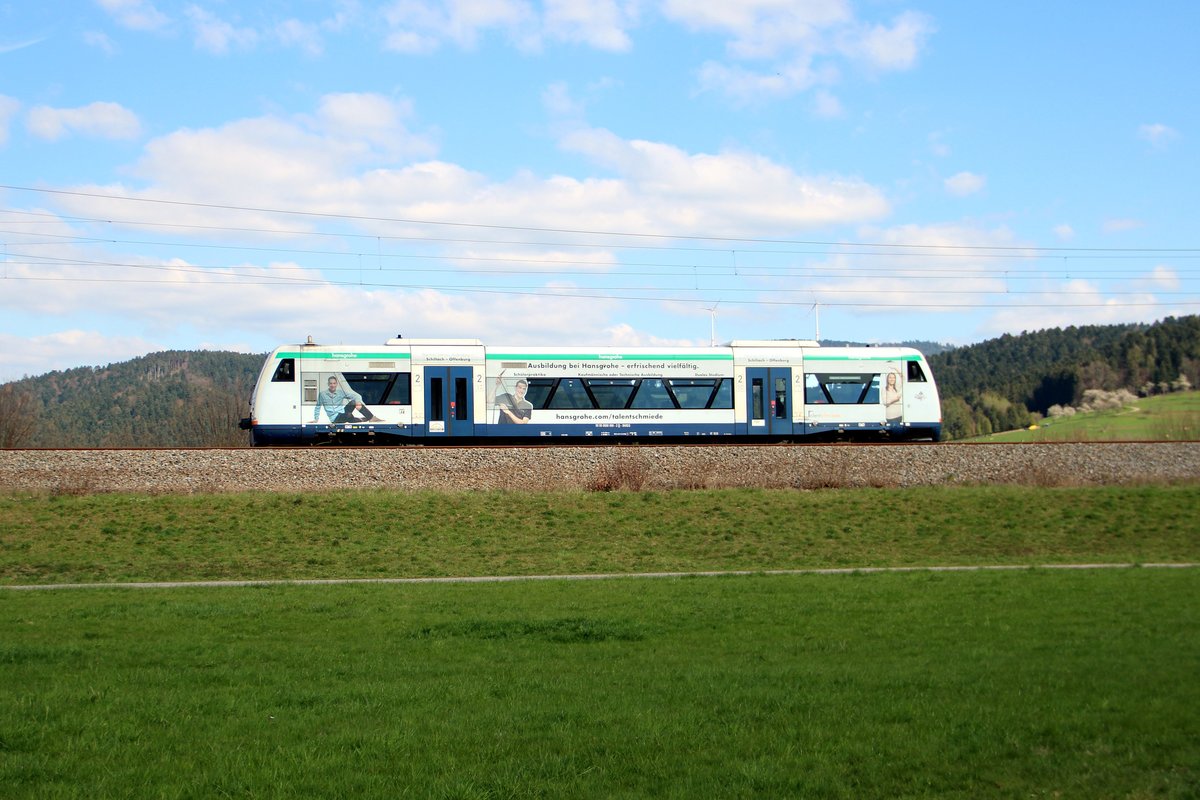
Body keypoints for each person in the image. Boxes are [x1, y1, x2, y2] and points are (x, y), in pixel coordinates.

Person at [313, 375, 383, 424]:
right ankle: (366, 418)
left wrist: (358, 402)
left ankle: (370, 417)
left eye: (334, 383)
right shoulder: (322, 394)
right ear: (328, 384)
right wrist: (316, 419)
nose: (332, 385)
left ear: (336, 384)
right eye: (331, 383)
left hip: (343, 413)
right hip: (335, 418)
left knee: (353, 402)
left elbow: (355, 395)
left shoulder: (340, 392)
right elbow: (317, 406)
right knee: (349, 415)